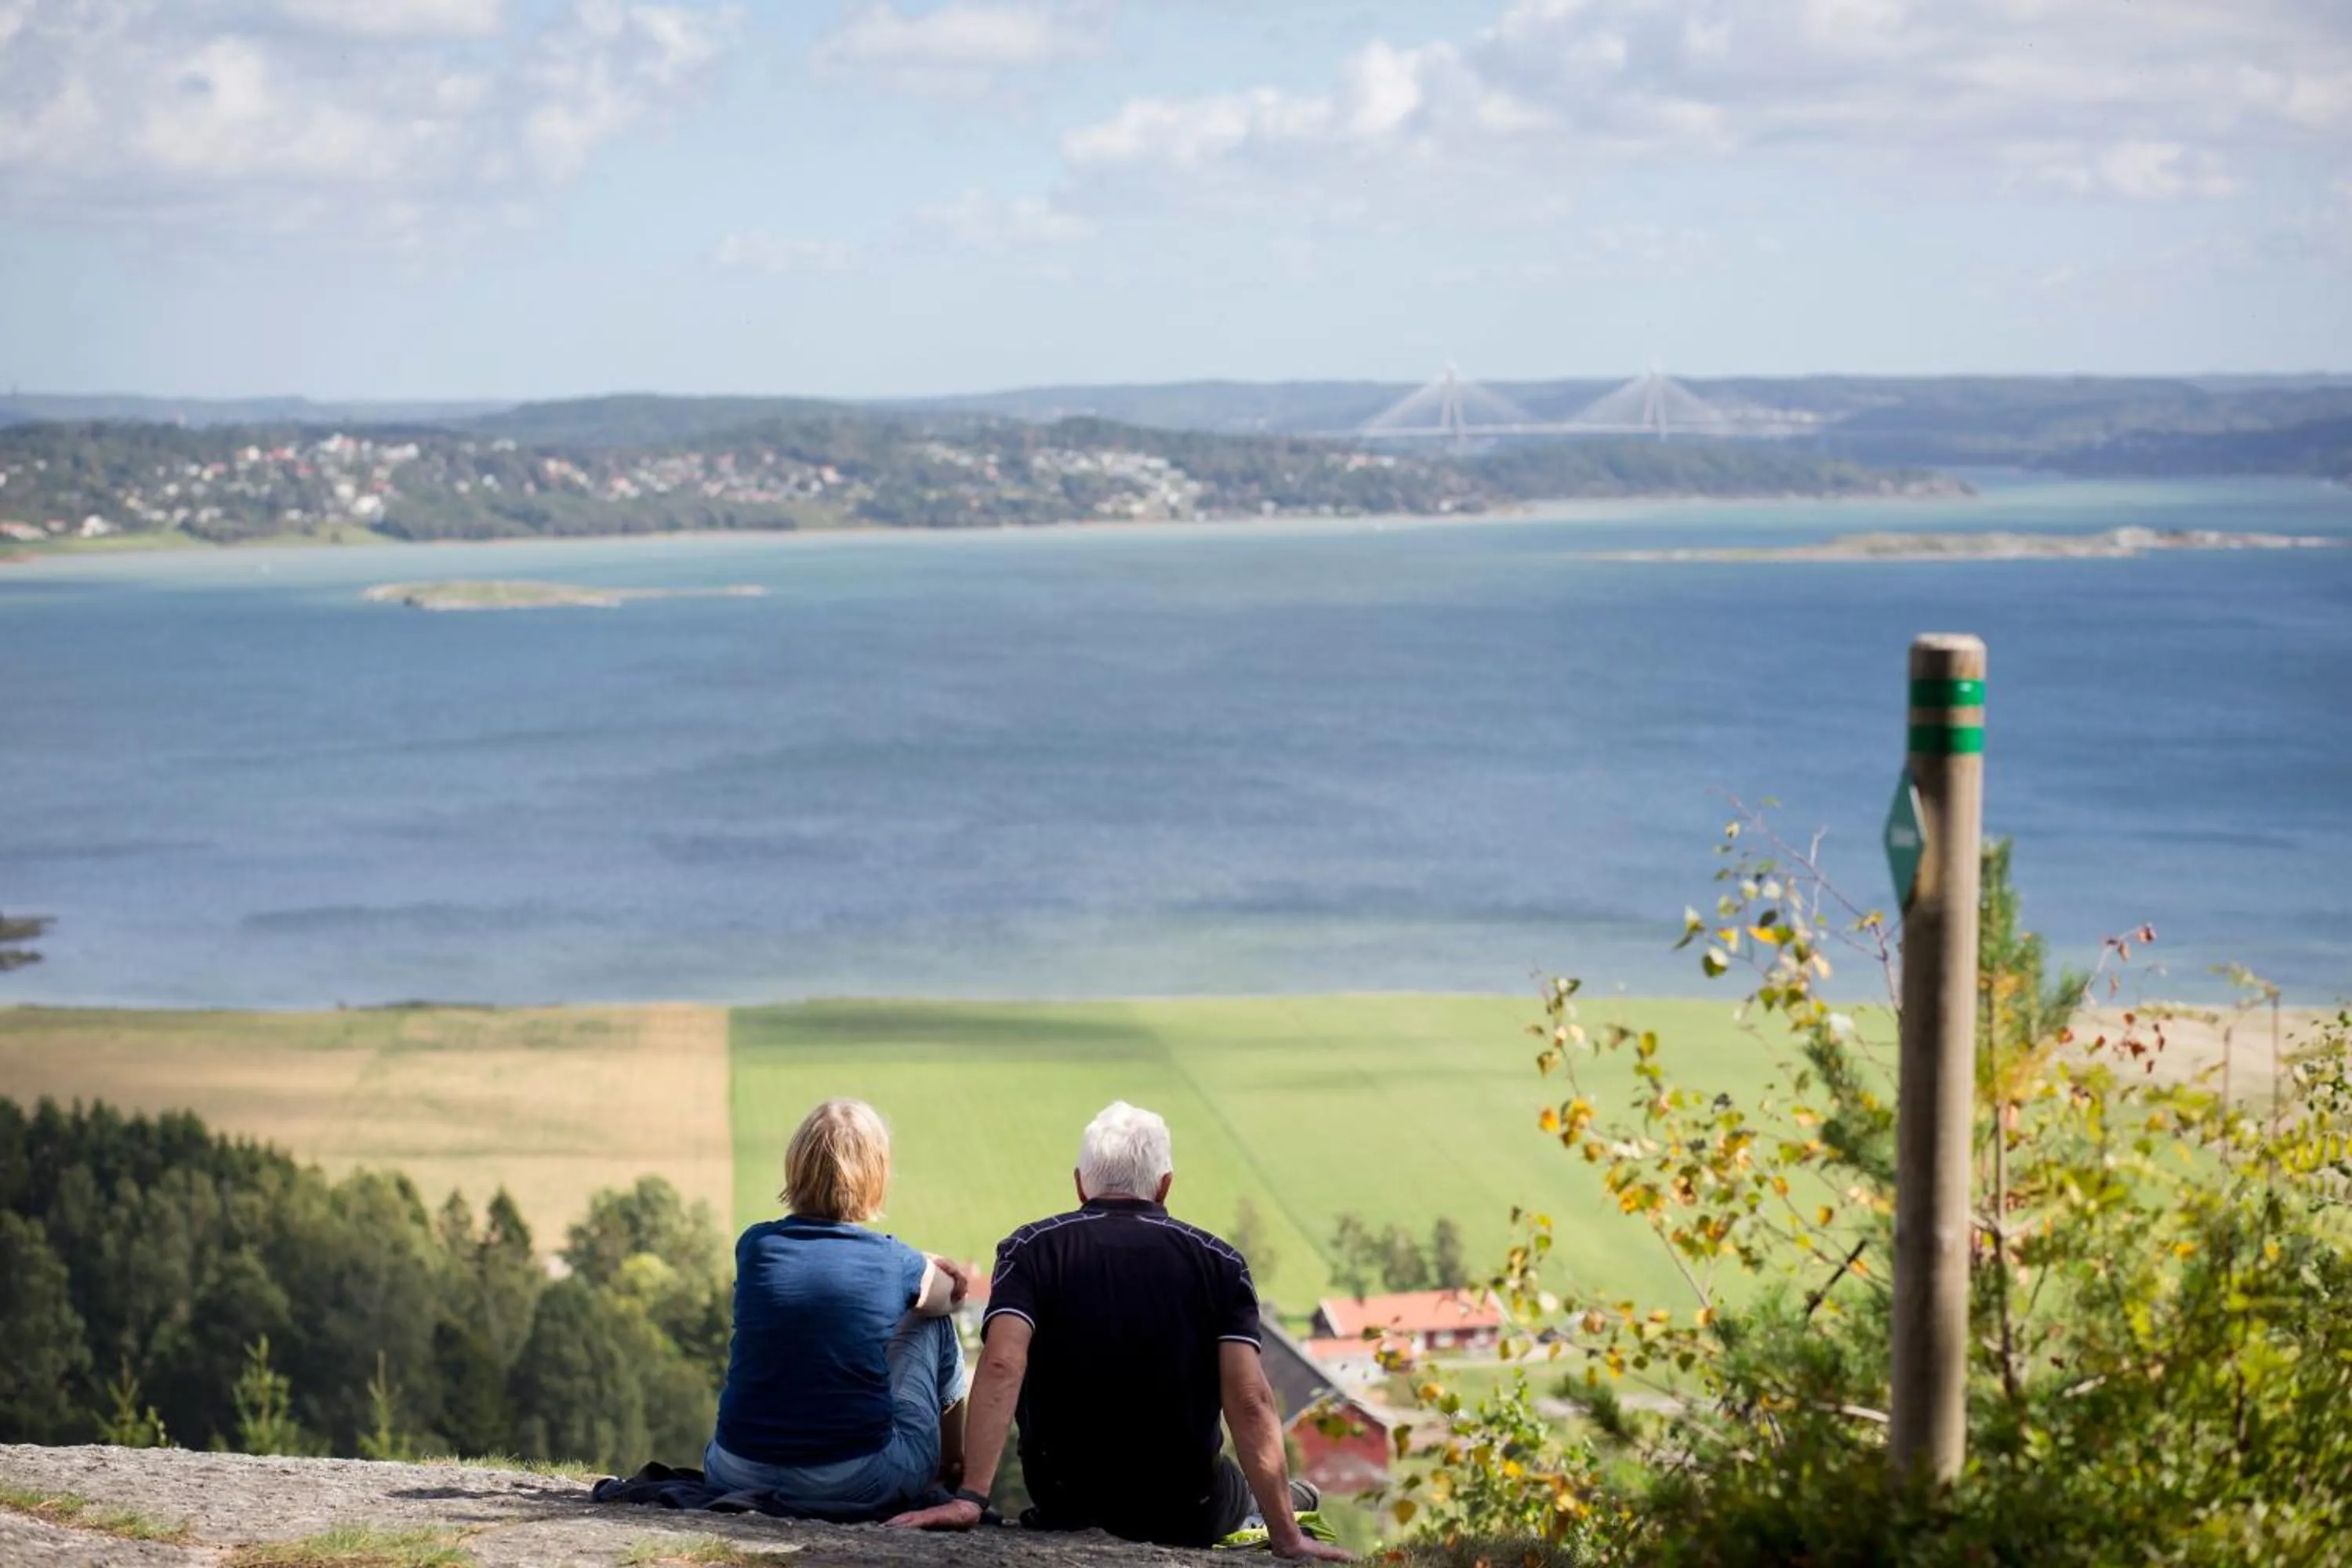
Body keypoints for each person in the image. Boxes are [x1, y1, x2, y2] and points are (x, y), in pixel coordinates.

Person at [886, 1101, 1349, 1560]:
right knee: (1232, 1492)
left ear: (1079, 1184)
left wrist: (971, 1498)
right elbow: (1249, 1399)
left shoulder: (1029, 1250)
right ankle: (1284, 1501)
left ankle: (1274, 1496)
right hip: (1187, 1504)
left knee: (1230, 1488)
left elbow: (1003, 1362)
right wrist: (1287, 1538)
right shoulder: (1220, 1263)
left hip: (1065, 1498)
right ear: (1165, 1186)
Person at [703, 1098, 972, 1520]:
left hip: (733, 1469)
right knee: (931, 1321)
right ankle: (950, 1470)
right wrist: (927, 1262)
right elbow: (951, 1298)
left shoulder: (755, 1245)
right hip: (852, 1479)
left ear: (796, 1166)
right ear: (876, 1175)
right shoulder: (892, 1260)